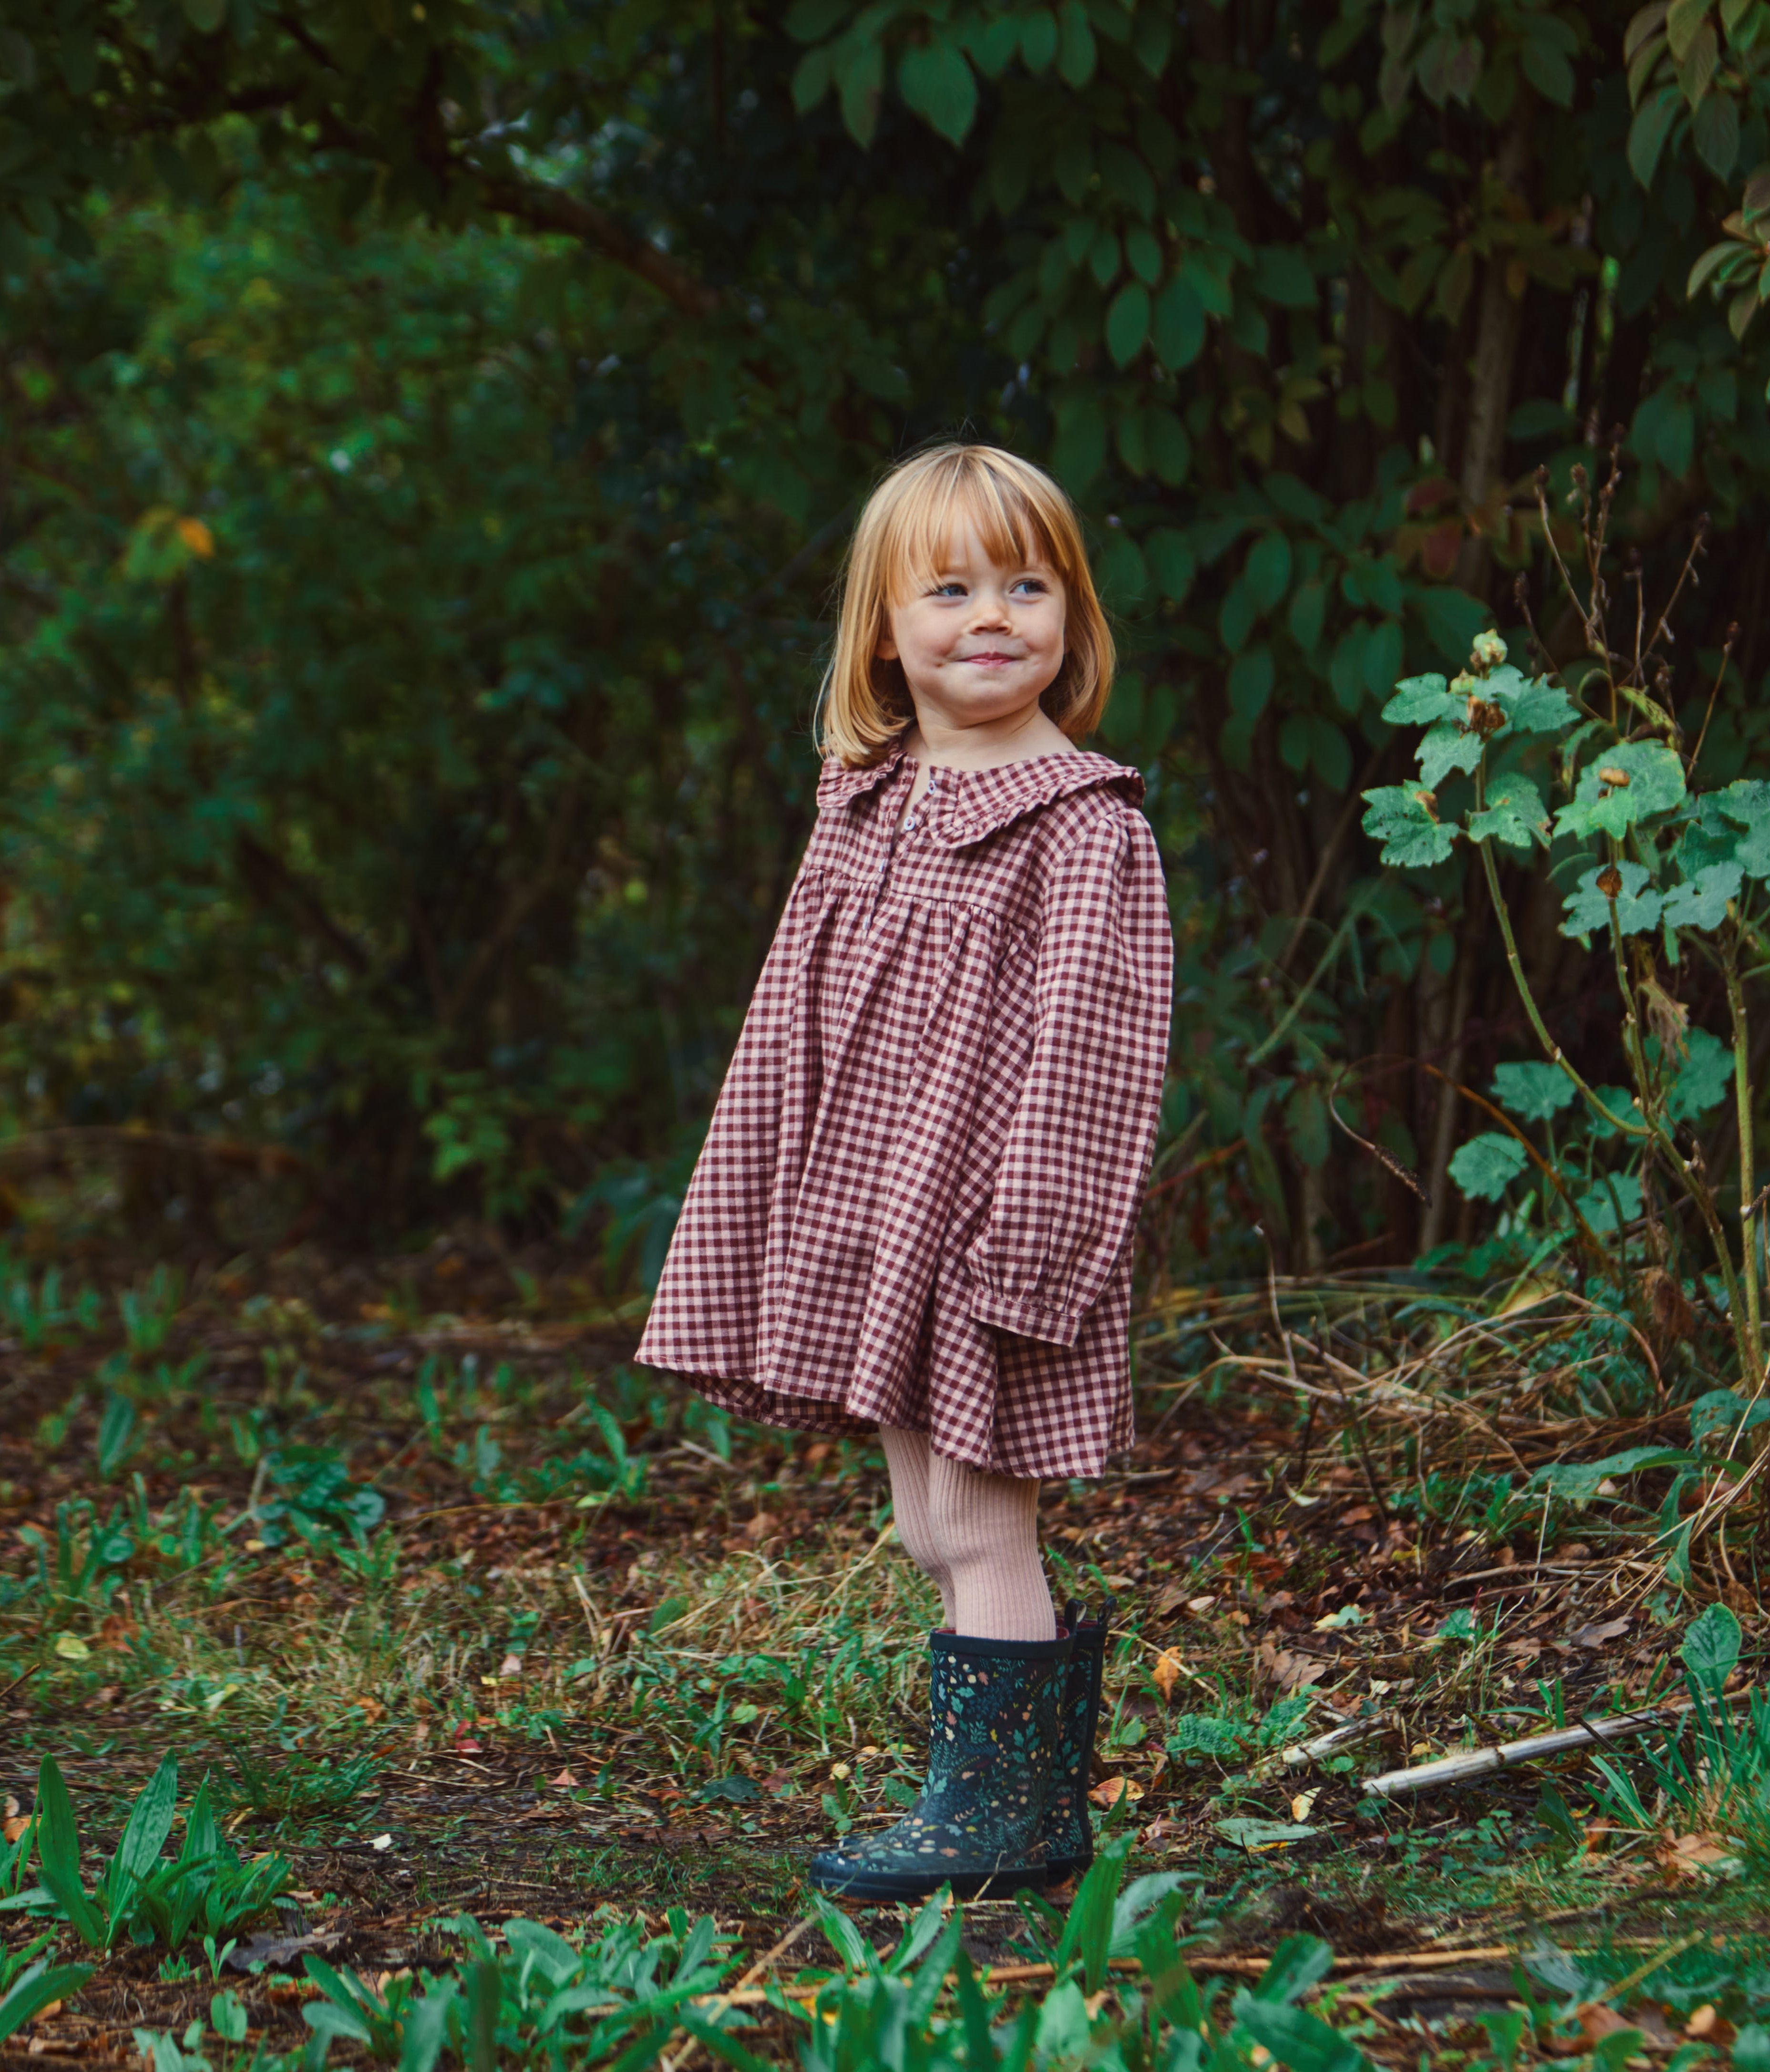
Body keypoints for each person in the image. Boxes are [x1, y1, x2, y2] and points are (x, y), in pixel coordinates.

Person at [637, 443, 1173, 1899]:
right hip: (876, 1208)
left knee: (985, 1513)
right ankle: (1012, 1805)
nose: (990, 614)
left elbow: (1097, 1053)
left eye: (1026, 582)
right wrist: (775, 1197)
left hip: (997, 1222)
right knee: (925, 1518)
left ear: (1071, 613)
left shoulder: (1082, 824)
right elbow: (795, 1012)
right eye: (948, 587)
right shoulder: (868, 796)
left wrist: (1036, 1246)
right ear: (884, 625)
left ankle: (1000, 1821)